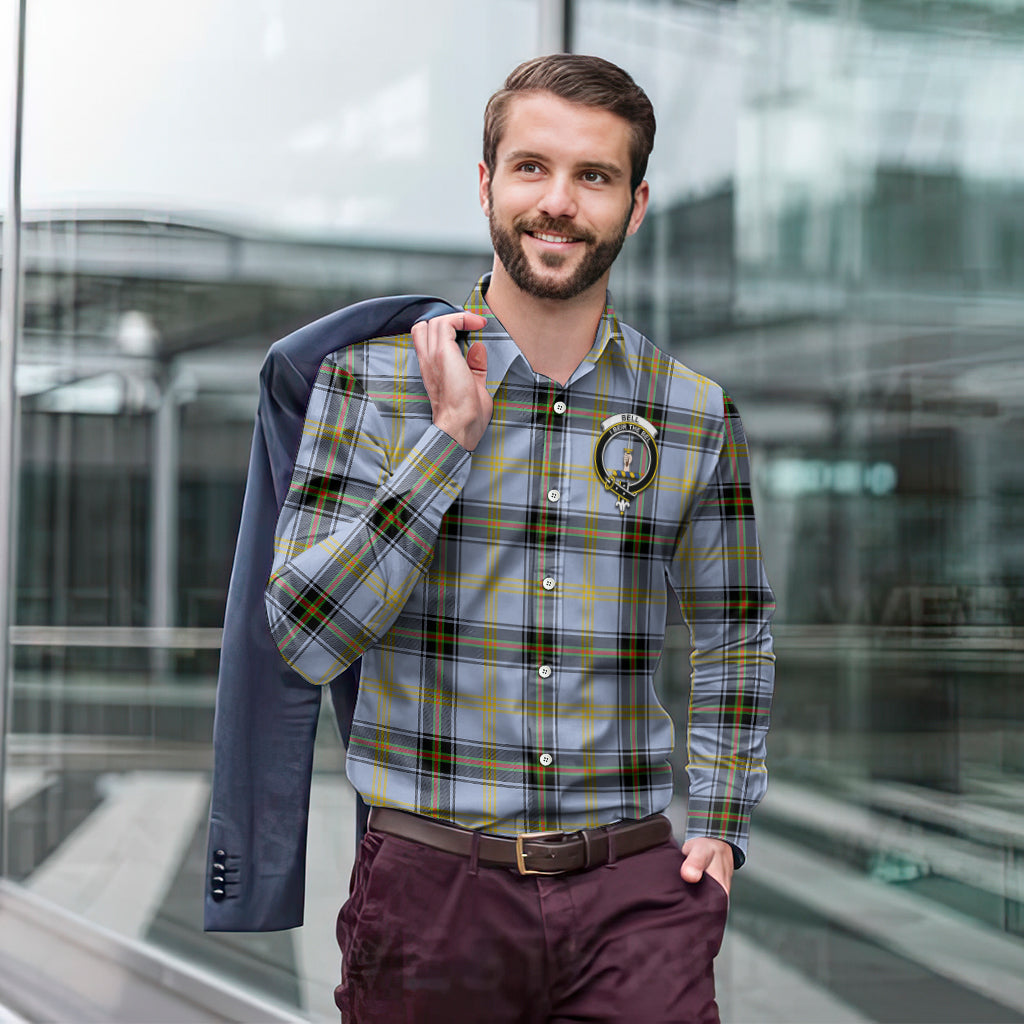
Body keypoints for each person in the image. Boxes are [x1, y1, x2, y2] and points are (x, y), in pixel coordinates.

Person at [265, 53, 775, 1024]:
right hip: (432, 893)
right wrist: (447, 442)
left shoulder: (695, 413)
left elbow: (734, 633)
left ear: (636, 203)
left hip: (635, 895)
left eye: (595, 176)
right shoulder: (369, 386)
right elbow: (304, 636)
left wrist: (718, 822)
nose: (559, 202)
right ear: (487, 182)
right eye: (532, 167)